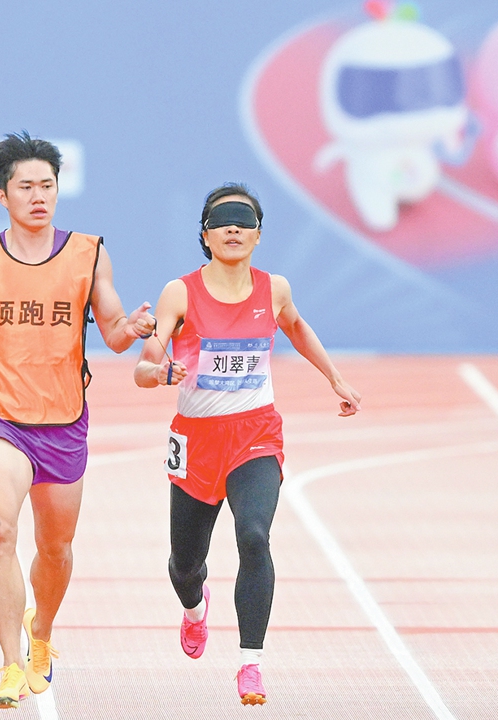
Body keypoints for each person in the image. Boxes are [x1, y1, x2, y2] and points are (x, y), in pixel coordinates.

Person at [0, 132, 155, 709]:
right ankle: (11, 663)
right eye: (26, 187)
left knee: (57, 547)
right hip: (1, 418)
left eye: (47, 185)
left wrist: (134, 330)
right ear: (2, 195)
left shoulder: (88, 252)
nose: (39, 196)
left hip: (64, 420)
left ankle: (41, 635)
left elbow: (113, 333)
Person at [133, 183, 361, 705]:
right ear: (207, 235)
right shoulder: (181, 292)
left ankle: (250, 663)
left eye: (244, 220)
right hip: (197, 440)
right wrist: (160, 373)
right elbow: (145, 366)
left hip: (256, 433)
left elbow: (298, 327)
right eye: (223, 220)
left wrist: (335, 379)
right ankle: (195, 607)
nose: (234, 228)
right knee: (185, 563)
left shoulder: (273, 289)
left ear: (258, 234)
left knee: (254, 536)